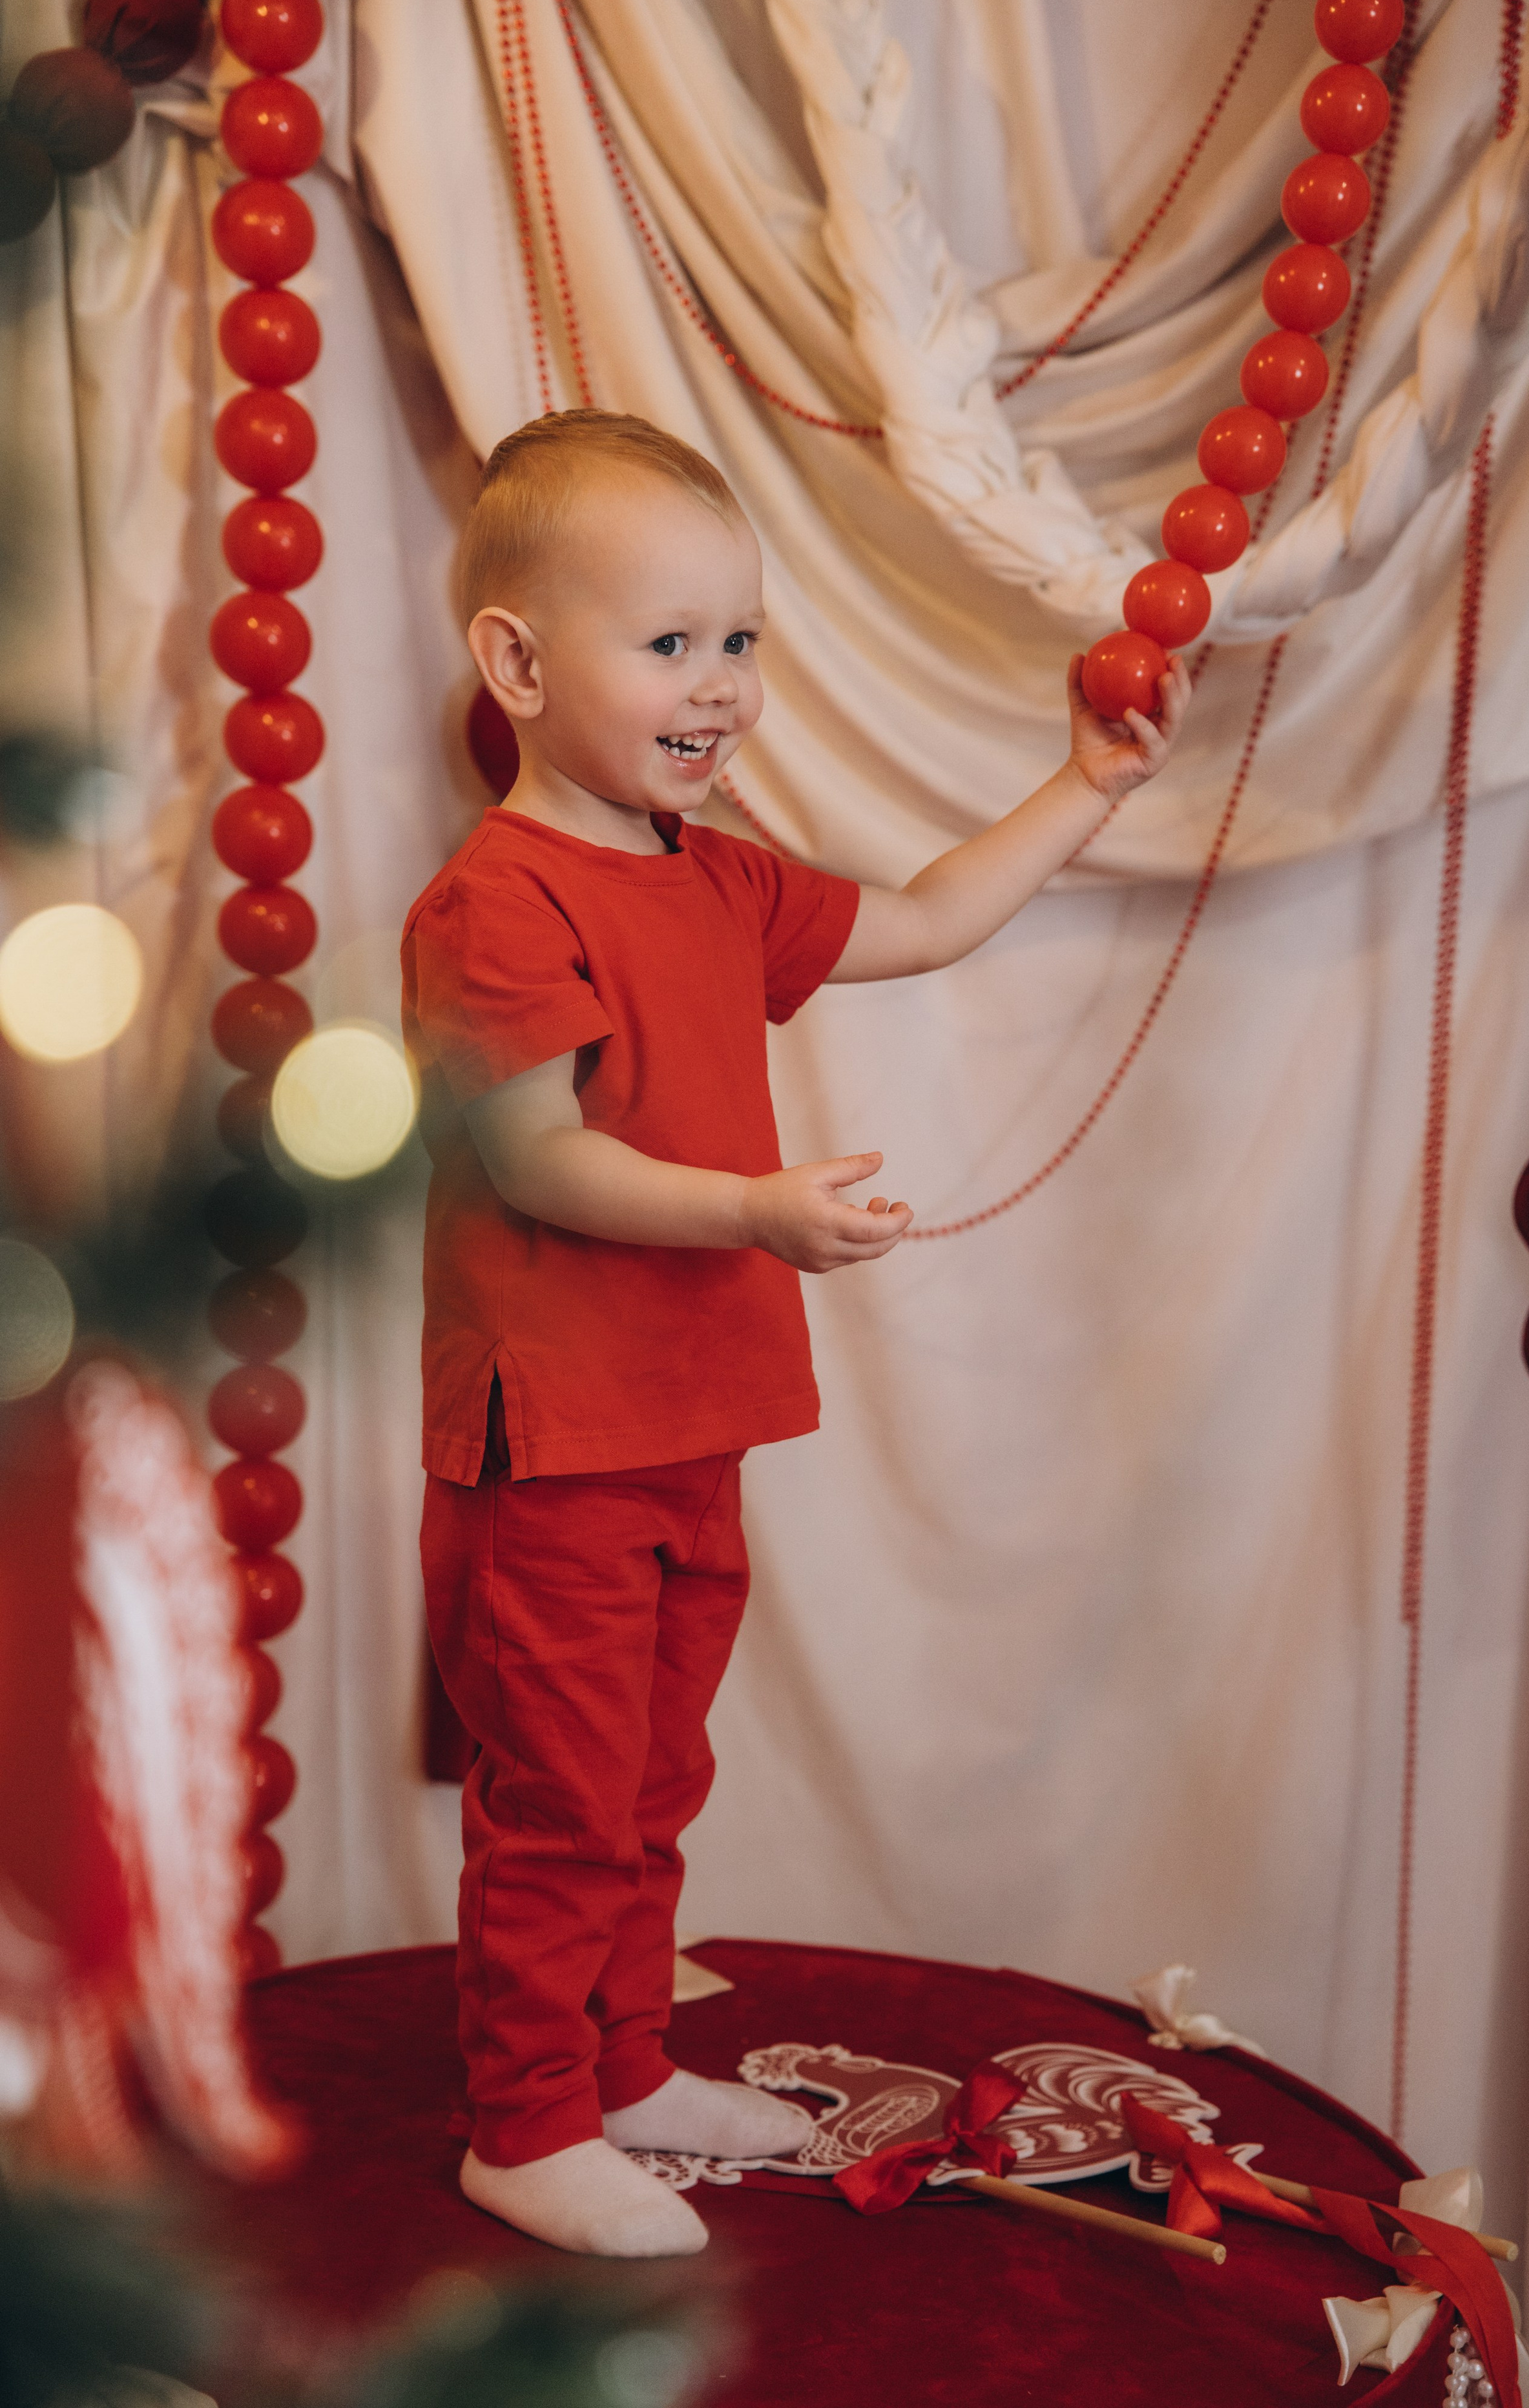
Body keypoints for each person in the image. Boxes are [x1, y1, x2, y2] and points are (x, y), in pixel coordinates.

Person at [402, 408, 1190, 2258]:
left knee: (658, 1784)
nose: (721, 686)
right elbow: (540, 1163)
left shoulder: (716, 873)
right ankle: (522, 2125)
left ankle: (623, 2064)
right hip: (557, 1444)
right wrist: (757, 1212)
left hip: (687, 1423)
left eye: (740, 641)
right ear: (517, 661)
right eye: (668, 643)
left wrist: (1085, 787)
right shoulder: (494, 902)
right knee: (565, 1799)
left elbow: (920, 920)